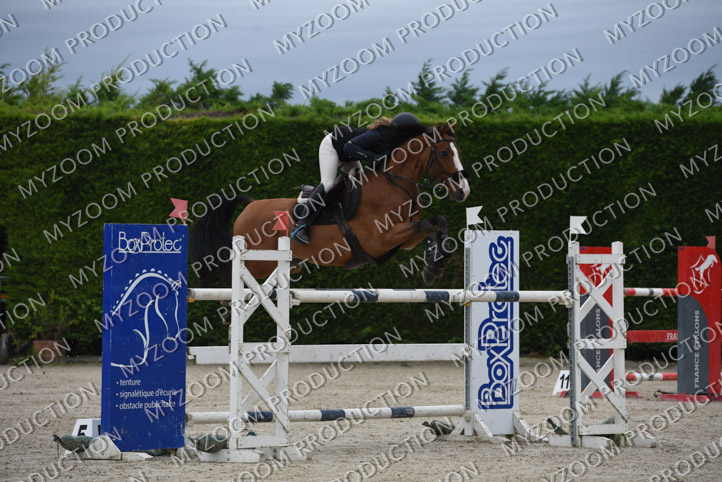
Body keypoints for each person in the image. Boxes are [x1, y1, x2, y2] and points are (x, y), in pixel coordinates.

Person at [291, 112, 425, 245]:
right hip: (333, 146)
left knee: (361, 182)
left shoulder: (393, 142)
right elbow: (349, 147)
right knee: (328, 184)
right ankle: (301, 225)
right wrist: (374, 157)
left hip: (349, 155)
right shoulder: (378, 135)